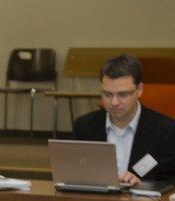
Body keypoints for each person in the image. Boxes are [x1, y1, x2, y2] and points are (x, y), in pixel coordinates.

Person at [72, 54, 175, 185]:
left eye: (123, 94)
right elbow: (75, 175)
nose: (114, 102)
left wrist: (143, 186)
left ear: (139, 90)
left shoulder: (166, 130)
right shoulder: (84, 126)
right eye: (107, 94)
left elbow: (171, 181)